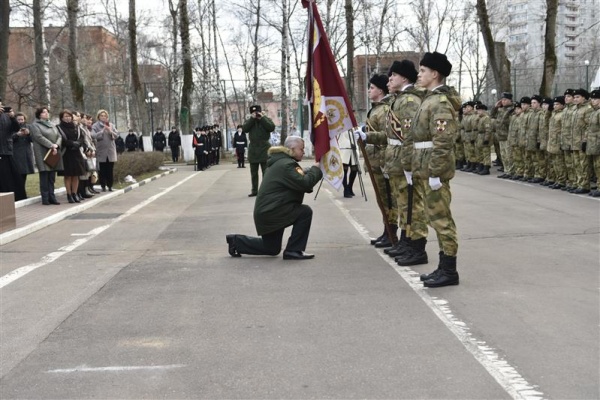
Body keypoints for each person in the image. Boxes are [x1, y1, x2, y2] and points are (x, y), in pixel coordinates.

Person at [401, 51, 461, 288]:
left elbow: (443, 140)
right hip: (424, 167)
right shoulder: (429, 99)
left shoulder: (440, 102)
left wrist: (435, 172)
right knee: (434, 219)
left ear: (435, 74)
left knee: (442, 220)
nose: (419, 74)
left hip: (432, 169)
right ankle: (443, 267)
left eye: (423, 70)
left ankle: (449, 270)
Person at [226, 136, 323, 259]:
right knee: (305, 212)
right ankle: (294, 250)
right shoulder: (286, 165)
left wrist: (310, 171)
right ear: (292, 149)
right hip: (272, 211)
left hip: (270, 210)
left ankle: (236, 242)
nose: (304, 152)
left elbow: (298, 177)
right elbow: (305, 184)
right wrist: (315, 169)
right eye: (301, 149)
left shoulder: (282, 162)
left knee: (271, 248)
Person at [30, 106, 63, 205]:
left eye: (47, 112)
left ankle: (52, 197)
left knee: (52, 177)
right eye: (44, 112)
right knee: (44, 175)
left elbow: (59, 135)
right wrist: (51, 145)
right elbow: (38, 137)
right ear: (39, 114)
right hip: (43, 152)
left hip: (53, 152)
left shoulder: (52, 124)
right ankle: (45, 198)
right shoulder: (35, 125)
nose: (46, 113)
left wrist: (57, 145)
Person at [243, 105, 275, 197]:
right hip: (253, 149)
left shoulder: (265, 119)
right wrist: (252, 119)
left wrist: (262, 118)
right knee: (254, 173)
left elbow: (271, 127)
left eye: (257, 112)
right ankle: (254, 191)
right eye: (253, 113)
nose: (255, 114)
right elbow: (245, 129)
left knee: (266, 172)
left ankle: (266, 190)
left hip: (264, 148)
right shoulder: (250, 121)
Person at [56, 109, 87, 203]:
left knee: (76, 175)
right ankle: (69, 194)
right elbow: (61, 139)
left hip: (76, 153)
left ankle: (75, 193)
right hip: (66, 153)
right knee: (68, 175)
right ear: (62, 118)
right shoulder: (59, 127)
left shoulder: (76, 126)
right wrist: (72, 143)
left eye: (69, 116)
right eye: (66, 116)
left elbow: (82, 137)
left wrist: (78, 143)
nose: (68, 118)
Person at [0, 102, 27, 201]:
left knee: (12, 177)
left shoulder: (6, 116)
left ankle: (16, 197)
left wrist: (12, 117)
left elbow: (16, 128)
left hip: (7, 150)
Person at [92, 109, 118, 192]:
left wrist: (110, 131)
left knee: (110, 170)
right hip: (101, 150)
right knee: (102, 170)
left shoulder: (111, 125)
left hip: (110, 151)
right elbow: (94, 136)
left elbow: (116, 135)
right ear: (98, 117)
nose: (103, 117)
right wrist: (102, 130)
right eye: (101, 116)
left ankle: (110, 186)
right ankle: (103, 185)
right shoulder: (95, 126)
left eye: (105, 116)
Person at [12, 112, 35, 198]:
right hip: (16, 154)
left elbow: (33, 139)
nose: (20, 121)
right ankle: (19, 195)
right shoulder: (12, 127)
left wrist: (28, 134)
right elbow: (9, 138)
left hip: (26, 154)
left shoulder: (29, 127)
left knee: (24, 175)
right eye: (18, 119)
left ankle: (22, 194)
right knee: (17, 176)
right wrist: (17, 135)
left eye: (22, 119)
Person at [586, 90, 600, 197]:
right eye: (592, 98)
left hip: (598, 144)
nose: (592, 100)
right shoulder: (594, 112)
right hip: (593, 144)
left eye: (595, 98)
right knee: (597, 167)